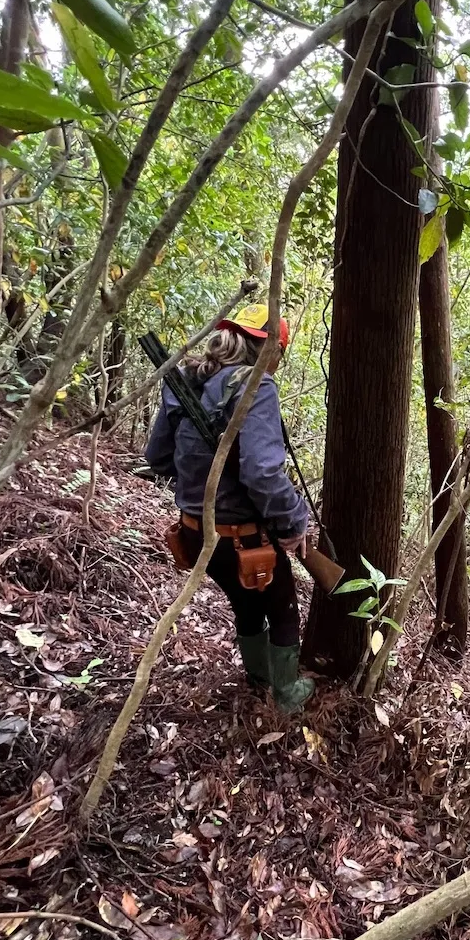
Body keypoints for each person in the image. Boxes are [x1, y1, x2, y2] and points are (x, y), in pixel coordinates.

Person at [145, 303, 314, 711]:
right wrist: (294, 521)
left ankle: (258, 678)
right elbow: (262, 473)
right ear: (269, 349)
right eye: (279, 353)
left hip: (195, 532)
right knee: (284, 612)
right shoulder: (257, 386)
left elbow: (158, 458)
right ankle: (287, 697)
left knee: (246, 604)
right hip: (243, 538)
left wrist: (205, 478)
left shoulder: (187, 379)